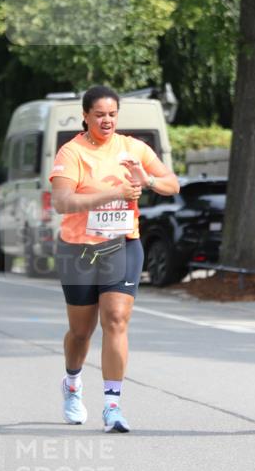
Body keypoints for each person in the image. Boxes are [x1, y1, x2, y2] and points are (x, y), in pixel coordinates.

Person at [50, 85, 179, 432]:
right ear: (86, 116)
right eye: (99, 115)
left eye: (112, 114)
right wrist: (114, 192)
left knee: (117, 319)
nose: (106, 120)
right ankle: (73, 383)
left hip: (122, 245)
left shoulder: (133, 148)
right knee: (81, 331)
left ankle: (112, 406)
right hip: (79, 250)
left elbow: (173, 184)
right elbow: (62, 201)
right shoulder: (72, 152)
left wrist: (147, 179)